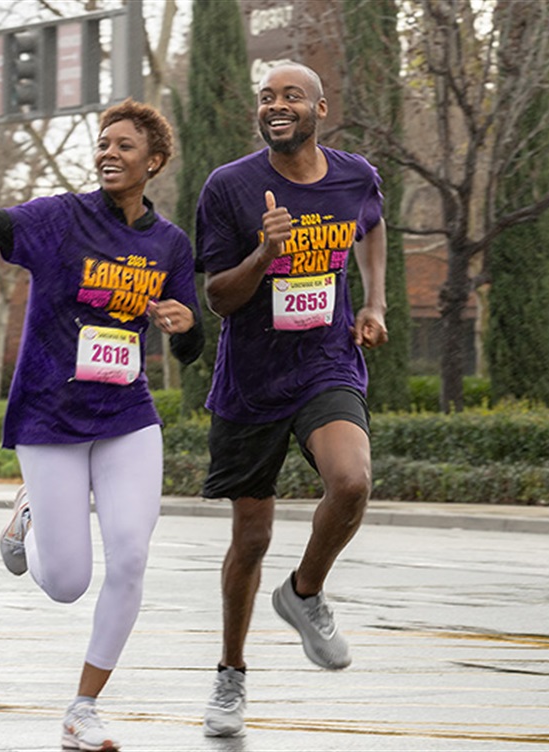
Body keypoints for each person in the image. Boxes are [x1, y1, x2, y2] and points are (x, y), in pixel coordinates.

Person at [0, 99, 202, 752]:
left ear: (153, 162)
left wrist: (185, 330)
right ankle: (31, 514)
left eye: (124, 146)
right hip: (50, 415)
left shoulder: (168, 244)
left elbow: (189, 345)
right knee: (68, 583)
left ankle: (83, 708)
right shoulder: (58, 219)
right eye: (102, 143)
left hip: (127, 416)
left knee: (130, 555)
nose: (109, 153)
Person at [193, 61, 388, 738]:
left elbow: (373, 224)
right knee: (250, 539)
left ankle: (304, 592)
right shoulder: (230, 187)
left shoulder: (355, 176)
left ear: (319, 109)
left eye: (291, 96)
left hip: (326, 362)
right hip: (251, 380)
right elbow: (217, 296)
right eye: (268, 97)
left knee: (352, 480)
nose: (277, 105)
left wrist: (375, 300)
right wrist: (263, 258)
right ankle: (230, 675)